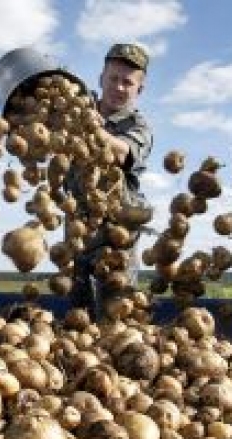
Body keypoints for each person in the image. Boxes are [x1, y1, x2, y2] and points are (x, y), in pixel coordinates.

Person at [67, 43, 154, 318]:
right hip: (80, 228)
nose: (118, 87)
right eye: (113, 79)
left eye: (127, 82)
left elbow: (122, 154)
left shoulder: (138, 127)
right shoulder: (78, 107)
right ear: (101, 79)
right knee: (79, 315)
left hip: (119, 235)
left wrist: (90, 127)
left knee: (116, 312)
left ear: (139, 89)